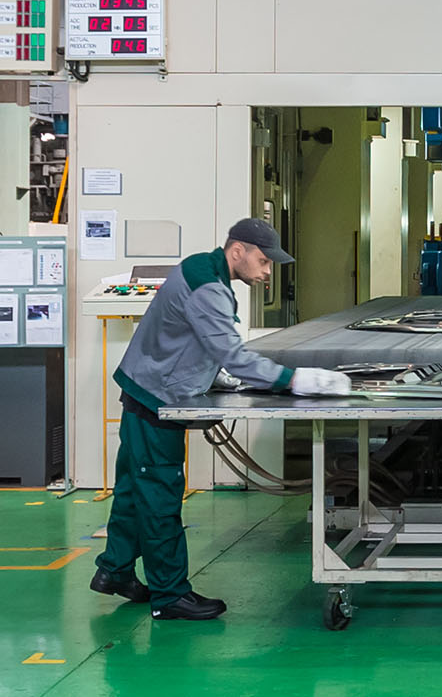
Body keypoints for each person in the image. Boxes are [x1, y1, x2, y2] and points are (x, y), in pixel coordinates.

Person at [90, 217, 352, 621]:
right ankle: (170, 596)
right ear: (237, 252)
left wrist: (214, 375)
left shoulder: (202, 267)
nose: (267, 273)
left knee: (132, 490)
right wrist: (296, 379)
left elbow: (195, 341)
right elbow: (235, 354)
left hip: (145, 389)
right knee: (159, 496)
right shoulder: (209, 289)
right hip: (155, 399)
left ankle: (114, 571)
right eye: (263, 262)